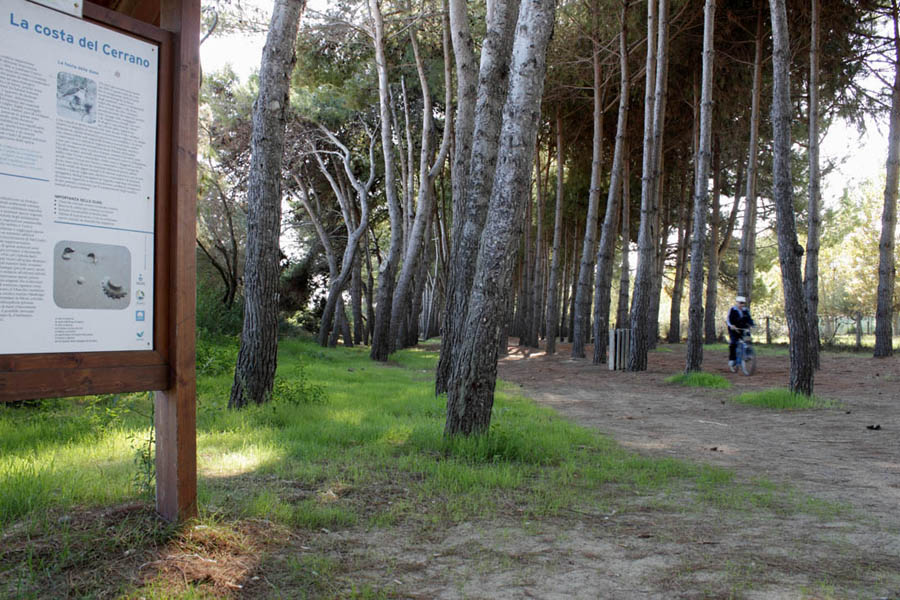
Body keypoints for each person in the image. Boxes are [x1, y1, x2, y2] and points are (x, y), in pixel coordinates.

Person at [726, 295, 754, 371]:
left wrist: (752, 325)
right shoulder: (732, 310)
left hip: (743, 329)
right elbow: (728, 320)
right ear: (737, 302)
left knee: (748, 339)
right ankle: (732, 360)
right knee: (733, 343)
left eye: (743, 303)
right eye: (740, 303)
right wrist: (731, 325)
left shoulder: (745, 310)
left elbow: (749, 319)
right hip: (734, 329)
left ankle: (748, 354)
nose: (741, 304)